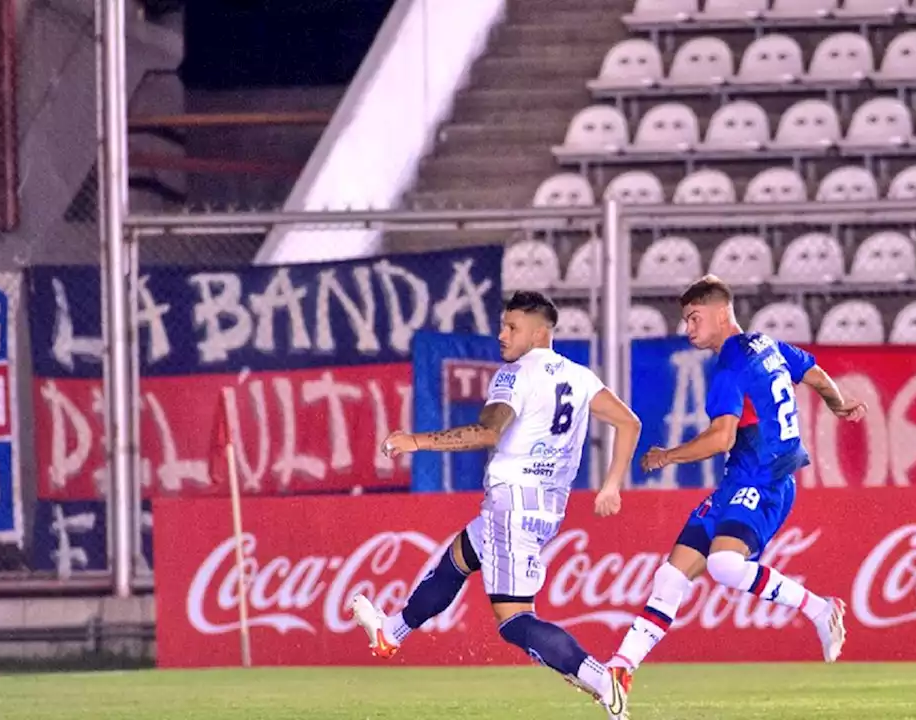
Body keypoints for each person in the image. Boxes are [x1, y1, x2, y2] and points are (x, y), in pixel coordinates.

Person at [349, 290, 642, 720]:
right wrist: (611, 484)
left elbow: (488, 432)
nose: (502, 335)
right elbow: (629, 423)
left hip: (512, 503)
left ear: (540, 333)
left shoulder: (515, 375)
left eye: (512, 327)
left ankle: (601, 677)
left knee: (514, 622)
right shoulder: (582, 378)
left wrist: (414, 441)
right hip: (545, 508)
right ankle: (391, 632)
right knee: (456, 561)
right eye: (503, 325)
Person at [607, 275, 866, 689]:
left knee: (724, 564)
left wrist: (667, 456)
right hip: (739, 481)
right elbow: (814, 373)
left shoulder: (730, 364)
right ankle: (620, 670)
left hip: (766, 480)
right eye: (685, 320)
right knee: (670, 577)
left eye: (694, 318)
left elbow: (722, 438)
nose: (688, 329)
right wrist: (838, 405)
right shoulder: (767, 345)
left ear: (721, 312)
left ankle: (820, 609)